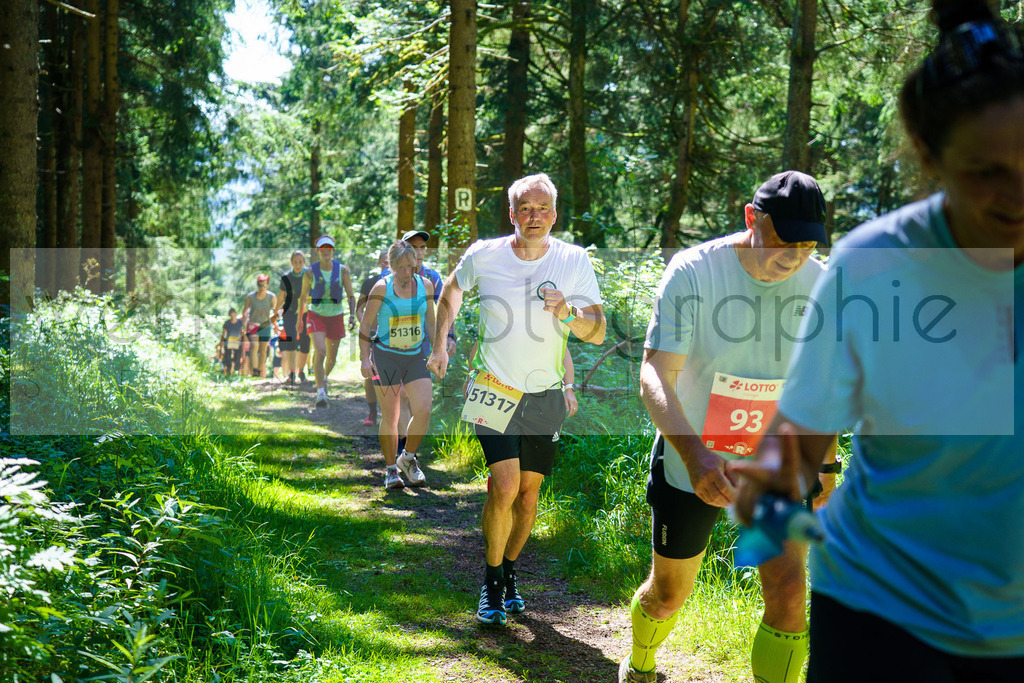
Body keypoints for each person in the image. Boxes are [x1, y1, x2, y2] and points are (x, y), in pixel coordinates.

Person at [733, 3, 1024, 682]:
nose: (1018, 192)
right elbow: (801, 439)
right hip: (880, 610)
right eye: (986, 172)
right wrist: (772, 474)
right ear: (930, 157)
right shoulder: (874, 265)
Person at [620, 170, 837, 683]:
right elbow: (655, 371)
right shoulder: (694, 272)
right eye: (785, 238)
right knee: (669, 593)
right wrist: (696, 457)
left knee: (788, 591)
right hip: (690, 452)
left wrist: (825, 462)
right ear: (751, 219)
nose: (796, 254)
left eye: (809, 243)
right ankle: (642, 662)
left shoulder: (823, 285)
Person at [427, 173, 606, 627]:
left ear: (555, 214)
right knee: (504, 487)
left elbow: (597, 329)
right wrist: (440, 343)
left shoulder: (573, 260)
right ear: (511, 214)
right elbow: (450, 291)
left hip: (544, 393)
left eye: (543, 208)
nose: (534, 216)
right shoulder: (483, 255)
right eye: (525, 208)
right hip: (493, 385)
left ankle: (508, 572)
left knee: (528, 496)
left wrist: (568, 312)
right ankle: (490, 583)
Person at [359, 240, 436, 489]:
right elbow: (365, 325)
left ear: (416, 264)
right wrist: (364, 359)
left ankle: (408, 459)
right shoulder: (382, 288)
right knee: (391, 415)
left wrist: (438, 352)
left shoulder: (426, 285)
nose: (405, 272)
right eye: (400, 267)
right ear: (391, 266)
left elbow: (432, 323)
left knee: (423, 409)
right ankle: (391, 469)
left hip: (415, 355)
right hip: (387, 356)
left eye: (410, 266)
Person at [390, 229, 455, 452]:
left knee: (416, 400)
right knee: (403, 396)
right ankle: (404, 448)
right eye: (413, 247)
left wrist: (449, 337)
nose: (418, 252)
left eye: (422, 247)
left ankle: (406, 450)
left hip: (424, 345)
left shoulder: (433, 278)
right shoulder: (389, 277)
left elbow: (445, 307)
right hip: (395, 345)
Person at [299, 235, 356, 407]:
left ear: (332, 251)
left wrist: (352, 315)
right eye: (322, 249)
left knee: (332, 358)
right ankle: (320, 392)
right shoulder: (309, 272)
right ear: (318, 251)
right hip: (316, 315)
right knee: (321, 351)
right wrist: (299, 319)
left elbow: (351, 295)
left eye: (329, 248)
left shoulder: (342, 270)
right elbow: (303, 297)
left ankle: (323, 377)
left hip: (336, 316)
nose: (326, 251)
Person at [356, 250, 389, 425]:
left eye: (391, 262)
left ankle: (390, 413)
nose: (387, 266)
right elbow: (359, 310)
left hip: (392, 337)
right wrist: (367, 328)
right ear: (378, 264)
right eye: (384, 262)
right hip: (371, 335)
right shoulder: (370, 283)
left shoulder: (401, 285)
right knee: (371, 374)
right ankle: (371, 413)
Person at [276, 250, 307, 385]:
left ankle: (301, 370)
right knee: (291, 340)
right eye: (295, 262)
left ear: (304, 262)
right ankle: (292, 372)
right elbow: (281, 296)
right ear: (291, 262)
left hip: (306, 312)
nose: (298, 264)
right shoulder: (286, 277)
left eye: (300, 262)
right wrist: (275, 312)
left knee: (305, 342)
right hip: (289, 312)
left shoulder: (309, 274)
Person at [241, 274, 277, 379]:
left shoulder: (271, 297)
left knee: (263, 350)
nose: (262, 287)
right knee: (254, 345)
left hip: (265, 325)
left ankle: (259, 370)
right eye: (260, 285)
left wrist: (275, 324)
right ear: (257, 285)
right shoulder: (250, 297)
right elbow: (244, 312)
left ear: (268, 285)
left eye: (264, 285)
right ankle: (255, 370)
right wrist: (243, 326)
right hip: (253, 325)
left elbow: (274, 312)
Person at [220, 308, 244, 377]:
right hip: (228, 343)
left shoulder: (240, 323)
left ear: (236, 314)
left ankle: (236, 372)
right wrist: (222, 342)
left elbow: (242, 332)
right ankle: (228, 372)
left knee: (237, 358)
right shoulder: (227, 323)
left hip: (237, 343)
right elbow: (223, 333)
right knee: (228, 358)